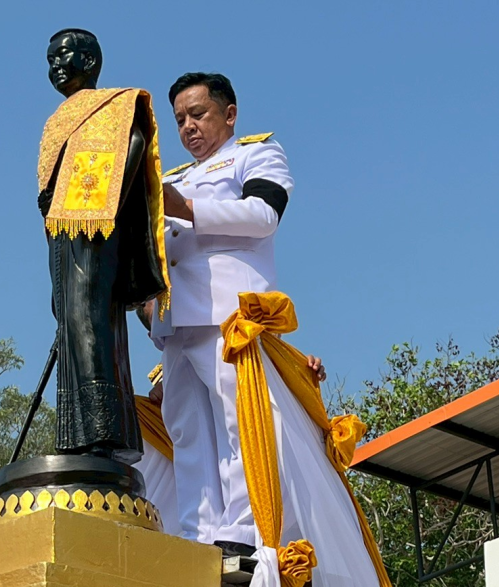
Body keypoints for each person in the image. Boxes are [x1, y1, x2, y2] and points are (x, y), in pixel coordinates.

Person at [151, 72, 322, 550]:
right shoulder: (168, 179)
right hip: (175, 315)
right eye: (180, 119)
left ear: (229, 114)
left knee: (236, 418)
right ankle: (198, 534)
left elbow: (264, 216)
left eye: (198, 114)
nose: (188, 127)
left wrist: (186, 208)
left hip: (228, 310)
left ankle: (244, 529)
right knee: (185, 428)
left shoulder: (255, 154)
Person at [38, 27, 168, 462]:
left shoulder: (114, 105)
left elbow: (133, 144)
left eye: (64, 56)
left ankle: (105, 430)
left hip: (95, 230)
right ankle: (78, 431)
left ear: (90, 61)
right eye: (50, 58)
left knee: (90, 322)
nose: (55, 65)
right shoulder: (61, 117)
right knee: (70, 323)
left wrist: (104, 201)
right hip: (64, 233)